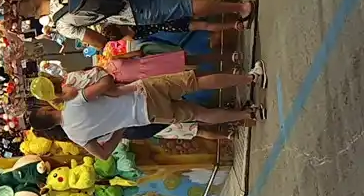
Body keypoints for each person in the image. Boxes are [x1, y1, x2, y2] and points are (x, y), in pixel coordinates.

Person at [27, 66, 265, 160]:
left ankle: (248, 115)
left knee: (199, 114)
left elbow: (104, 154)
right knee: (196, 83)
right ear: (47, 108)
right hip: (141, 93)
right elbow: (106, 83)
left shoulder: (76, 136)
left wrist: (120, 127)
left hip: (145, 117)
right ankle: (251, 78)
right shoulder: (75, 102)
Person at [15, 0, 254, 49]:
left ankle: (239, 8)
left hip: (132, 13)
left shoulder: (61, 25)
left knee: (185, 7)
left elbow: (97, 41)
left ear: (36, 15)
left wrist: (105, 40)